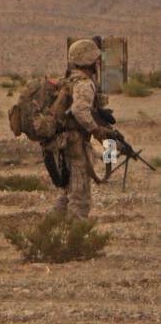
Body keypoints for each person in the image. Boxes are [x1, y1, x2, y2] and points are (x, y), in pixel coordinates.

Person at [47, 38, 113, 220]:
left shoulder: (67, 80)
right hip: (75, 144)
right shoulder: (84, 83)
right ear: (90, 61)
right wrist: (95, 130)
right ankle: (74, 243)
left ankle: (48, 232)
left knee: (66, 193)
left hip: (63, 142)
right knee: (80, 198)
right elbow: (79, 109)